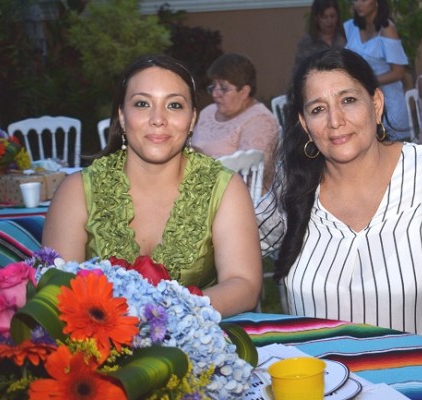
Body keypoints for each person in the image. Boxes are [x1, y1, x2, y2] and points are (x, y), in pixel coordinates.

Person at [43, 54, 262, 317]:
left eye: (174, 106)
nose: (158, 118)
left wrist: (167, 313)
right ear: (122, 117)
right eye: (143, 103)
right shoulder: (76, 191)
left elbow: (244, 284)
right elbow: (56, 293)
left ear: (192, 119)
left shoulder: (224, 188)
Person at [257, 48, 422, 340]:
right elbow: (231, 249)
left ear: (376, 104)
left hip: (421, 380)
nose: (335, 120)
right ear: (305, 124)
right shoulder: (293, 189)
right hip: (319, 382)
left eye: (348, 100)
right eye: (318, 109)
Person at [190, 53, 279, 188]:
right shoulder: (208, 112)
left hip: (237, 197)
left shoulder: (261, 121)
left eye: (223, 88)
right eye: (213, 87)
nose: (215, 94)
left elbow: (249, 176)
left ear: (244, 92)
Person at [344, 0, 409, 141]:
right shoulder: (350, 27)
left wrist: (367, 80)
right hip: (363, 101)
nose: (359, 4)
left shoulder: (387, 28)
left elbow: (399, 72)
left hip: (389, 103)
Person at [293, 0, 346, 70]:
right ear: (317, 18)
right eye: (325, 17)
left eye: (332, 16)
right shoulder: (308, 43)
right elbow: (298, 70)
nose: (329, 21)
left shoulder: (345, 37)